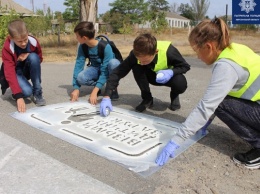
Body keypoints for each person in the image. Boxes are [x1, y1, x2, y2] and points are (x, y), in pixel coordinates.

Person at [156, 17, 260, 170]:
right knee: (220, 101)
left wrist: (177, 140)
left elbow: (207, 106)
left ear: (208, 46)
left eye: (196, 51)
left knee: (220, 104)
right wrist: (208, 118)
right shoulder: (236, 49)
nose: (197, 57)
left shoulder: (226, 66)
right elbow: (224, 92)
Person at [100, 33, 190, 116]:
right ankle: (147, 99)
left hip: (168, 78)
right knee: (137, 66)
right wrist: (106, 96)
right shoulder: (135, 54)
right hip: (151, 76)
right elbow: (117, 72)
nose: (142, 63)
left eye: (145, 60)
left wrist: (171, 72)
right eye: (140, 60)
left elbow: (185, 66)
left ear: (156, 52)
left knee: (180, 84)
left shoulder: (169, 51)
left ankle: (174, 95)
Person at [0, 19, 46, 113]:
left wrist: (29, 54)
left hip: (26, 70)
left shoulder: (34, 42)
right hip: (15, 72)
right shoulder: (7, 49)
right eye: (20, 41)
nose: (24, 43)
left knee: (34, 57)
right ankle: (16, 92)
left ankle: (38, 93)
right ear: (11, 38)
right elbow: (9, 73)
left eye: (25, 39)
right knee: (27, 92)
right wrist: (18, 96)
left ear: (27, 33)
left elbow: (39, 59)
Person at [70, 21, 120, 105]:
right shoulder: (83, 47)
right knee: (81, 78)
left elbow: (105, 70)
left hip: (107, 68)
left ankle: (112, 87)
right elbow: (79, 65)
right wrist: (76, 88)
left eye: (77, 36)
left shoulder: (105, 46)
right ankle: (98, 85)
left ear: (84, 38)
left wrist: (94, 91)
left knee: (114, 63)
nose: (76, 38)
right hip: (95, 68)